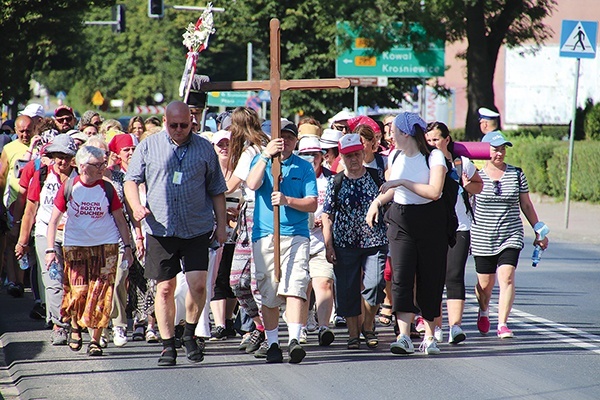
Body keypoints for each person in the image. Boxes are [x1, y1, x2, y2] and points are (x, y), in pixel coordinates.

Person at [124, 101, 227, 367]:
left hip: (196, 228)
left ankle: (190, 333)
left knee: (199, 285)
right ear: (165, 121)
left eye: (184, 125)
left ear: (192, 121)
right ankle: (168, 345)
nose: (179, 130)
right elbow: (131, 180)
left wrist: (222, 225)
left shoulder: (204, 148)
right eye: (174, 125)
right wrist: (136, 206)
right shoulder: (148, 145)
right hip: (161, 228)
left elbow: (217, 188)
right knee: (165, 288)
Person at [366, 112, 448, 355]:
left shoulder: (434, 157)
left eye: (394, 131)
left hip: (430, 220)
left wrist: (401, 182)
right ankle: (403, 336)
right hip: (401, 220)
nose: (390, 135)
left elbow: (434, 191)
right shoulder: (396, 155)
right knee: (401, 277)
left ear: (405, 133)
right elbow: (390, 189)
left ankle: (430, 336)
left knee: (429, 278)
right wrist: (377, 203)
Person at [45, 145, 134, 356]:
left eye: (104, 163)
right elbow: (53, 221)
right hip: (75, 245)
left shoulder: (107, 188)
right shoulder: (69, 187)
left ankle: (95, 340)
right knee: (78, 292)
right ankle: (75, 325)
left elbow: (121, 220)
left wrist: (128, 247)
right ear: (84, 167)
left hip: (107, 245)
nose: (104, 167)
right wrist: (50, 249)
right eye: (99, 164)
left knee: (103, 293)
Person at [245, 119, 317, 364]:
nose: (285, 141)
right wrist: (265, 156)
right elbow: (252, 184)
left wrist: (288, 201)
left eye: (289, 137)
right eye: (281, 137)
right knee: (270, 291)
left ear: (295, 141)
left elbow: (312, 202)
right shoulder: (261, 161)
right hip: (265, 235)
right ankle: (273, 343)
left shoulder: (304, 167)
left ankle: (294, 340)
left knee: (296, 285)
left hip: (296, 234)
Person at [471, 131, 549, 339]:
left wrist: (539, 229)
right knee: (485, 286)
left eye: (503, 149)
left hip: (510, 234)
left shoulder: (516, 174)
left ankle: (503, 323)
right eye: (496, 149)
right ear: (485, 150)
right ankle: (484, 309)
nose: (500, 153)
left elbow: (526, 204)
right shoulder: (474, 175)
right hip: (482, 235)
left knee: (506, 277)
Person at [322, 134, 387, 350]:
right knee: (348, 289)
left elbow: (390, 199)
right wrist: (328, 244)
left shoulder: (377, 177)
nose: (354, 159)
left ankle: (368, 327)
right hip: (344, 244)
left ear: (364, 153)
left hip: (374, 241)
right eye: (348, 156)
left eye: (357, 154)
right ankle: (353, 335)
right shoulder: (336, 182)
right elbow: (327, 215)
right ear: (341, 157)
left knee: (376, 284)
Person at [15, 134, 79, 346]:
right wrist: (22, 241)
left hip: (74, 235)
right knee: (53, 280)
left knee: (73, 281)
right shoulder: (42, 175)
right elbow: (30, 209)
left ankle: (73, 320)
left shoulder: (81, 177)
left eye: (66, 156)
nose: (61, 161)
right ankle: (59, 326)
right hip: (45, 234)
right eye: (57, 156)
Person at [425, 122, 483, 344]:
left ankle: (455, 327)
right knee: (434, 278)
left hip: (459, 226)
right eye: (428, 140)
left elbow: (479, 185)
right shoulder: (424, 162)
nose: (432, 144)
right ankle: (435, 325)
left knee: (454, 275)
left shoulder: (461, 164)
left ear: (447, 140)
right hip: (431, 228)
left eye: (436, 140)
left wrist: (468, 185)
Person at [225, 107, 270, 355]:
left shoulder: (252, 151)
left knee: (254, 282)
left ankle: (268, 333)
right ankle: (260, 326)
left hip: (257, 217)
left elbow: (230, 186)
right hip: (247, 216)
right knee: (237, 281)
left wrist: (206, 187)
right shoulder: (256, 147)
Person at [296, 136, 335, 346]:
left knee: (324, 283)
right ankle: (300, 327)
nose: (312, 158)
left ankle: (323, 328)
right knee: (301, 288)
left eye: (315, 154)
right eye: (306, 154)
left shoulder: (332, 179)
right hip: (298, 240)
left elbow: (338, 207)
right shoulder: (292, 176)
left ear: (322, 156)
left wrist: (328, 219)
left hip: (323, 241)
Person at [208, 130, 239, 341]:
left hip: (238, 231)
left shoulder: (240, 170)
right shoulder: (209, 170)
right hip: (213, 229)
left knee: (233, 277)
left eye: (228, 143)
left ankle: (228, 320)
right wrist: (220, 211)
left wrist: (240, 210)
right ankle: (219, 323)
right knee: (217, 276)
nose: (225, 147)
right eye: (221, 144)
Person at [0, 115, 35, 298]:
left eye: (28, 130)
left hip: (35, 202)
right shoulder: (9, 148)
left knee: (27, 243)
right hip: (14, 203)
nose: (25, 134)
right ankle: (15, 282)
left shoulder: (40, 147)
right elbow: (2, 176)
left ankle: (24, 279)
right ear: (15, 130)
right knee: (13, 241)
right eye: (21, 131)